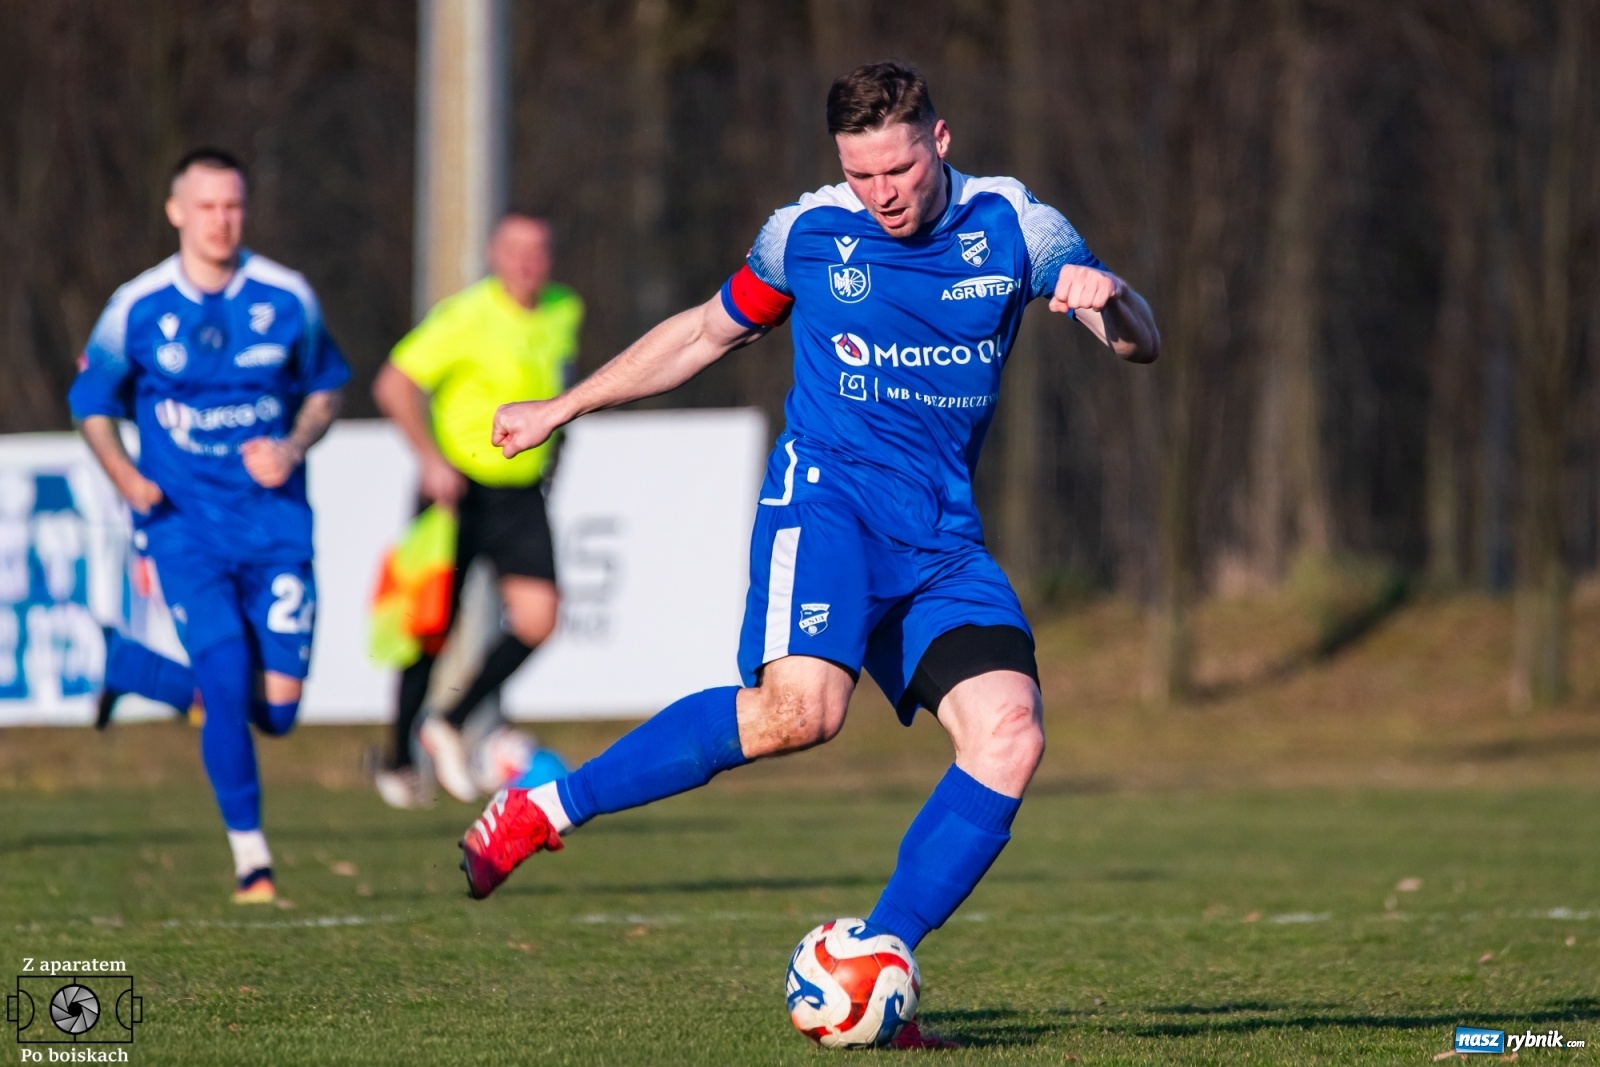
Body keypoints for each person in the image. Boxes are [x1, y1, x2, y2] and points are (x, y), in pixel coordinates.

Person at [461, 62, 1158, 1046]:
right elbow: (704, 333)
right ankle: (545, 807)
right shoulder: (806, 234)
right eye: (861, 174)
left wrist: (1109, 297)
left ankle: (879, 961)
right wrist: (560, 406)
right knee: (801, 713)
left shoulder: (1015, 225)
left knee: (1010, 733)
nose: (882, 194)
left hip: (940, 540)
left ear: (940, 141)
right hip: (827, 506)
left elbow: (1135, 341)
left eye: (899, 170)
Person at [71, 147, 348, 904]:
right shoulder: (136, 306)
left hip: (276, 527)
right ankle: (252, 862)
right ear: (176, 212)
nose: (220, 221)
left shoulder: (287, 296)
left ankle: (135, 669)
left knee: (276, 711)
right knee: (225, 682)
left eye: (232, 206)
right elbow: (91, 403)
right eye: (206, 207)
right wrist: (127, 478)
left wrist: (292, 445)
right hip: (184, 528)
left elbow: (326, 390)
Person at [370, 210, 582, 808]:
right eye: (515, 250)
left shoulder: (565, 309)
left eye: (538, 250)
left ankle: (450, 720)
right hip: (456, 491)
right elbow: (392, 384)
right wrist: (429, 459)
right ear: (494, 255)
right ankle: (397, 759)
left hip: (520, 491)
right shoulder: (465, 315)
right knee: (430, 626)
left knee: (540, 618)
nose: (527, 262)